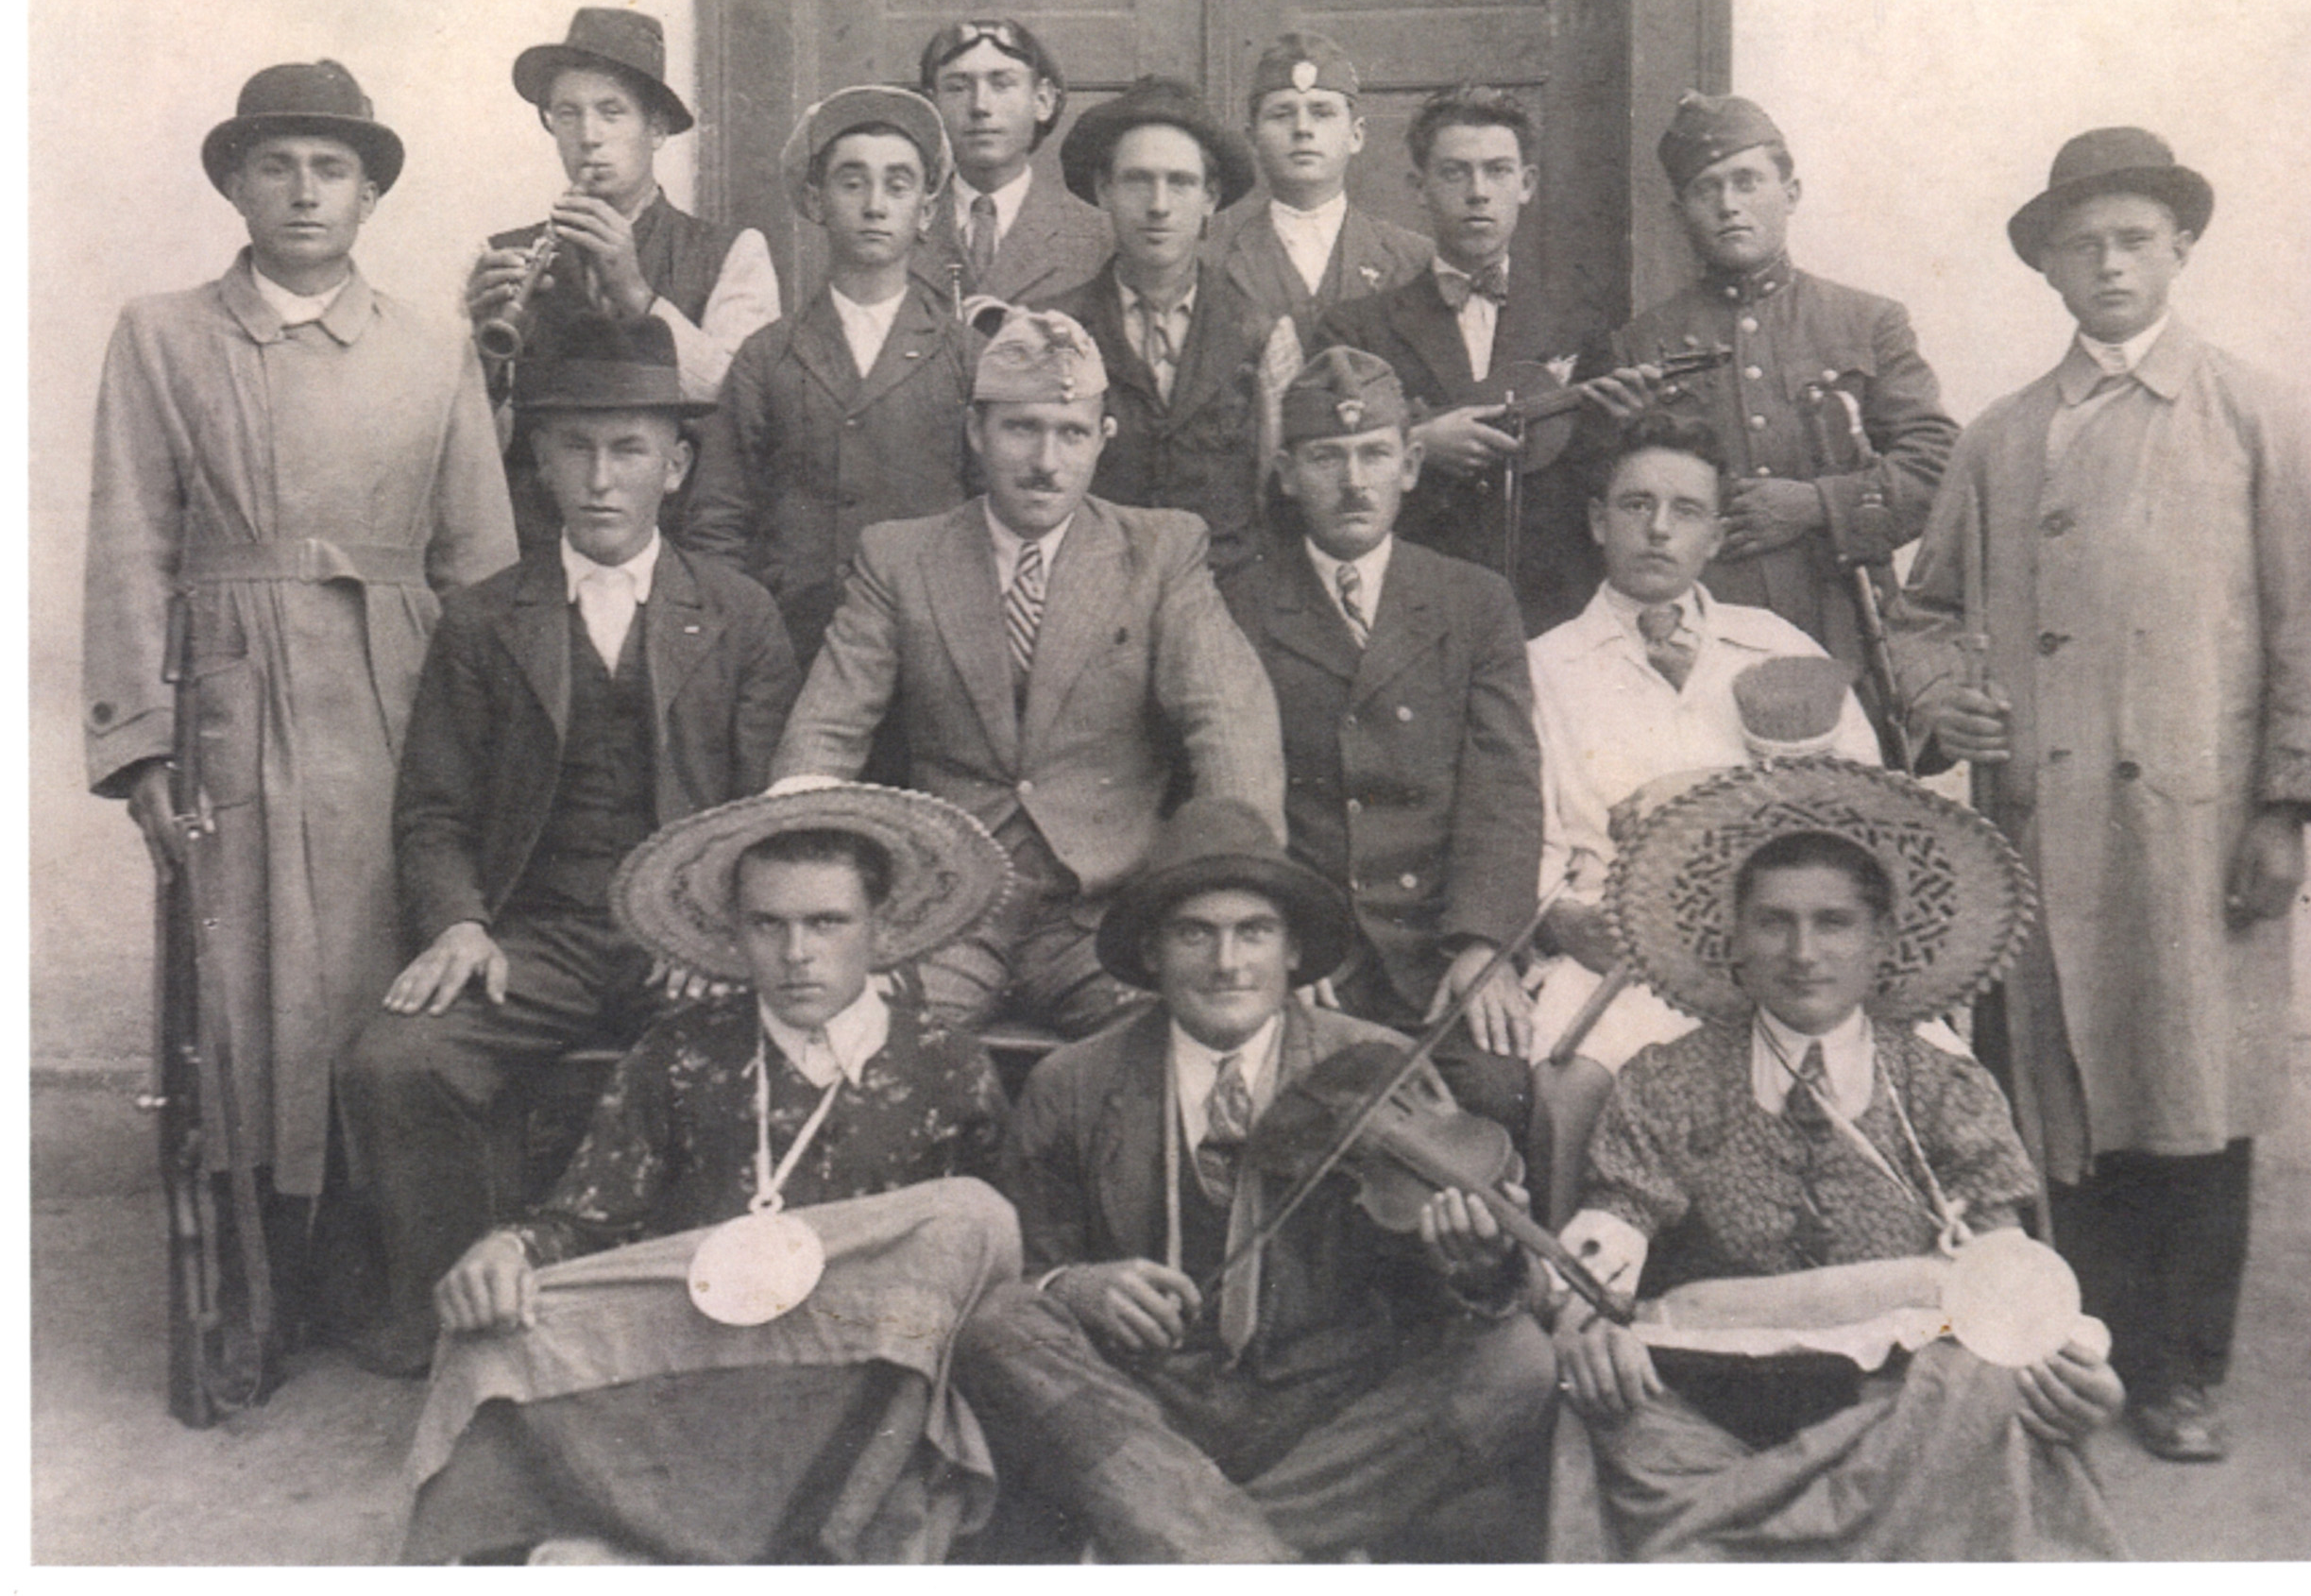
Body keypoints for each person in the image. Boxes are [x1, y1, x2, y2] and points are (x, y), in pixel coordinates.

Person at [1893, 127, 2311, 1463]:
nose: (2111, 264)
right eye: (2082, 245)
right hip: (2039, 827)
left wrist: (2287, 806)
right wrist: (1944, 696)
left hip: (2193, 826)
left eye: (2135, 238)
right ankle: (2061, 1356)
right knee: (2054, 1097)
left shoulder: (2253, 413)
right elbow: (1923, 612)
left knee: (2190, 1091)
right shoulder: (2001, 435)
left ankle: (2181, 1369)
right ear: (2047, 268)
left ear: (2181, 247)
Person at [83, 59, 516, 1384]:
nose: (306, 191)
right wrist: (139, 741)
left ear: (372, 194)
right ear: (236, 184)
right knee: (244, 995)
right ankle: (250, 1290)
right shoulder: (164, 336)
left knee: (386, 977)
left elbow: (482, 565)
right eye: (277, 165)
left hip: (398, 695)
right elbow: (128, 540)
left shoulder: (433, 347)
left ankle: (379, 1272)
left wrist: (496, 751)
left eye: (334, 168)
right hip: (232, 702)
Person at [339, 314, 802, 1376]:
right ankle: (463, 1316)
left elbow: (766, 814)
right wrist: (460, 923)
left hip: (686, 934)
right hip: (533, 938)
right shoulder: (483, 618)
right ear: (539, 460)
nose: (601, 477)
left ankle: (694, 1324)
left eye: (629, 448)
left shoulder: (739, 614)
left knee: (758, 1060)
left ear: (675, 466)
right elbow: (434, 811)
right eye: (576, 447)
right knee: (395, 1061)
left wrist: (719, 939)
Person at [399, 784, 1017, 1563]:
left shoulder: (944, 1063)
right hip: (706, 1353)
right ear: (734, 932)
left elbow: (992, 1254)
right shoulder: (680, 1051)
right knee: (487, 1342)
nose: (797, 953)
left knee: (965, 1218)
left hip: (865, 1377)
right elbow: (589, 1215)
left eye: (827, 921)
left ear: (881, 926)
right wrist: (511, 1248)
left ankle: (686, 1534)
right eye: (768, 924)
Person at [953, 798, 1559, 1561]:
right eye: (1194, 933)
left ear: (1293, 950)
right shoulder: (1072, 1081)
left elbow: (1451, 1300)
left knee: (1517, 1362)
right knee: (998, 1325)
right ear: (1151, 951)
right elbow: (1028, 1271)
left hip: (1326, 1411)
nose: (1228, 962)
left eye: (1254, 932)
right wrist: (1078, 1286)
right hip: (1146, 1409)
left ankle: (1186, 1545)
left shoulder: (1378, 1064)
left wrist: (1478, 1265)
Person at [1551, 766, 2129, 1559]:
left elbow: (2003, 1265)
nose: (1803, 952)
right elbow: (1614, 1224)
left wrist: (2076, 1370)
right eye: (1773, 922)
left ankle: (1744, 1549)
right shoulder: (1669, 1078)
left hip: (1895, 1409)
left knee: (1983, 1383)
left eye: (1834, 922)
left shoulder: (1942, 1085)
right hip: (1718, 1407)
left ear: (1881, 939)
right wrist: (1586, 1318)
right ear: (1736, 939)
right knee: (1602, 1399)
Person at [772, 307, 1283, 1040]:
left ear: (1103, 439)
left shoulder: (1160, 553)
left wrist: (1245, 893)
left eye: (1071, 433)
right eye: (1022, 428)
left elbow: (1229, 725)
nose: (1047, 460)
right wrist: (798, 883)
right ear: (976, 432)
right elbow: (827, 731)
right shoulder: (900, 558)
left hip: (1106, 916)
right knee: (867, 1043)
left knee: (1174, 1045)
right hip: (947, 909)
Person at [1521, 410, 1878, 1225]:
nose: (1658, 529)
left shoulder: (1776, 646)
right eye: (1636, 505)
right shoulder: (1542, 667)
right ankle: (1578, 1287)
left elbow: (1864, 808)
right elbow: (1521, 835)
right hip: (1615, 961)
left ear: (1715, 536)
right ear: (1597, 521)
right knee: (1569, 1090)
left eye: (1685, 511)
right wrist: (1561, 916)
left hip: (1784, 952)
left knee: (1923, 1063)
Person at [1219, 346, 1539, 1142]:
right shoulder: (1239, 606)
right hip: (1310, 954)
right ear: (1287, 474)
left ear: (1412, 465)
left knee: (1496, 1092)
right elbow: (1227, 795)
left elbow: (1503, 789)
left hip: (1435, 951)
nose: (1354, 481)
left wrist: (1484, 945)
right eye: (1327, 457)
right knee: (1281, 1117)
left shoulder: (1476, 603)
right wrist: (1278, 940)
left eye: (1374, 454)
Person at [1610, 93, 1956, 744]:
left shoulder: (1868, 322)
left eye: (1747, 182)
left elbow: (1939, 467)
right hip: (1705, 640)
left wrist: (1817, 504)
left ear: (1790, 193)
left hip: (1846, 628)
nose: (1728, 204)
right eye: (1706, 189)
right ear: (1679, 212)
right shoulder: (1641, 345)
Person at [468, 7, 781, 547]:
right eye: (567, 114)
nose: (588, 136)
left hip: (684, 549)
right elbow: (467, 457)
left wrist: (638, 295)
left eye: (611, 112)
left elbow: (748, 413)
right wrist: (486, 364)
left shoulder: (734, 253)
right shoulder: (501, 253)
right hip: (536, 550)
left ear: (655, 129)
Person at [681, 87, 972, 663]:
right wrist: (742, 646)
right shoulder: (766, 357)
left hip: (932, 652)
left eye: (898, 184)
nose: (875, 205)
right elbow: (719, 521)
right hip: (796, 646)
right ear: (816, 201)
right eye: (852, 182)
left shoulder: (965, 355)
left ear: (927, 211)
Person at [1312, 85, 1606, 630]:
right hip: (1408, 610)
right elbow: (1324, 466)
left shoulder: (1578, 324)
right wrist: (1419, 444)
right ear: (1419, 188)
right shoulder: (1357, 329)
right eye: (1454, 173)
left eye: (1497, 171)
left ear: (1527, 184)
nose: (1478, 193)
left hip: (1547, 613)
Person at [1045, 76, 1266, 576]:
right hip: (1089, 588)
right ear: (1104, 190)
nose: (1159, 205)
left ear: (1210, 196)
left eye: (1180, 182)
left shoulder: (1258, 332)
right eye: (1137, 180)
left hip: (1222, 593)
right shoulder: (1056, 329)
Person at [1208, 31, 1433, 473]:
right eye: (1282, 114)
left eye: (1322, 112)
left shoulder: (1412, 259)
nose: (1302, 129)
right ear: (1252, 139)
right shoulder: (1215, 263)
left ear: (1356, 134)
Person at [911, 17, 1113, 308]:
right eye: (957, 87)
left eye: (1002, 84)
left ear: (1042, 100)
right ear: (932, 107)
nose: (980, 106)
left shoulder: (1099, 236)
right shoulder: (901, 226)